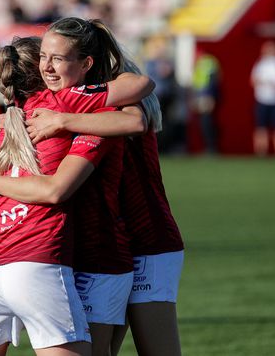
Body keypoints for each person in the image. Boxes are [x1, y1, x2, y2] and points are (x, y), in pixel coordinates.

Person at [0, 33, 153, 355]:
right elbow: (140, 94)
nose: (50, 66)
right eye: (45, 59)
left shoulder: (8, 122)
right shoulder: (62, 102)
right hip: (37, 261)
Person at [25, 57, 185, 356]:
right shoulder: (97, 110)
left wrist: (61, 120)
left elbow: (133, 113)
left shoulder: (119, 113)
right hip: (113, 246)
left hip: (147, 243)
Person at [251, 40, 275, 156]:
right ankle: (261, 152)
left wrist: (271, 84)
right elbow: (253, 80)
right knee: (261, 127)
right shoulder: (261, 64)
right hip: (262, 100)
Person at [191, 52, 221, 154]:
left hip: (207, 97)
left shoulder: (208, 63)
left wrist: (211, 97)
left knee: (207, 122)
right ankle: (209, 147)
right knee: (204, 123)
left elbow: (212, 83)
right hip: (202, 97)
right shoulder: (203, 63)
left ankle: (211, 147)